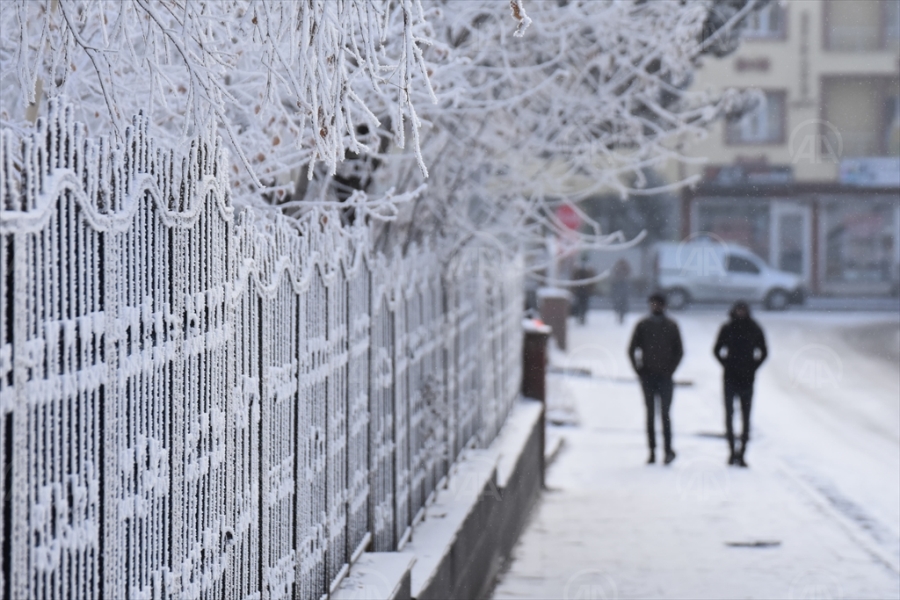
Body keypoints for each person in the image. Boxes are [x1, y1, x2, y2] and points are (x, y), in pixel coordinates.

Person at [628, 292, 684, 465]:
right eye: (653, 304)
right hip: (648, 376)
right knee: (651, 415)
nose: (656, 307)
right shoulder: (643, 325)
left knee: (665, 415)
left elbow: (679, 351)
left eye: (659, 304)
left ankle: (667, 451)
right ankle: (652, 451)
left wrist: (670, 369)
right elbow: (631, 349)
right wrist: (639, 370)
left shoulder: (671, 326)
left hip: (665, 377)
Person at [713, 300, 767, 468]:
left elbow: (764, 351)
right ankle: (731, 451)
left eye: (743, 310)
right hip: (730, 377)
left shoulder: (754, 328)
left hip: (747, 379)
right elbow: (716, 349)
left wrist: (753, 367)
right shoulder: (727, 328)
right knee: (729, 416)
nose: (741, 313)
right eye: (739, 310)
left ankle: (742, 452)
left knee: (746, 418)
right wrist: (726, 364)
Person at [571, 258, 596, 325]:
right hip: (582, 290)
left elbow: (574, 278)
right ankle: (581, 317)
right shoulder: (588, 269)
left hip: (582, 290)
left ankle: (582, 317)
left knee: (582, 305)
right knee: (582, 305)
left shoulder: (580, 269)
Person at [610, 259, 631, 324]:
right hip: (619, 289)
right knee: (619, 303)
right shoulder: (619, 269)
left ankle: (621, 316)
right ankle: (620, 315)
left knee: (621, 303)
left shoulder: (623, 269)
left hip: (622, 290)